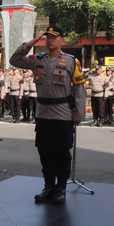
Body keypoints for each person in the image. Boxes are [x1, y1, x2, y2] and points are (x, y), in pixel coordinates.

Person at [10, 26, 86, 204]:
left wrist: (78, 114)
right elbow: (14, 60)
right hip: (42, 113)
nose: (50, 40)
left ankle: (60, 187)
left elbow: (79, 90)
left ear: (62, 41)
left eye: (54, 37)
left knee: (62, 154)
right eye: (47, 37)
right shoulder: (38, 59)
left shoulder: (71, 61)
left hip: (63, 114)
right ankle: (48, 186)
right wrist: (28, 44)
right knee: (45, 153)